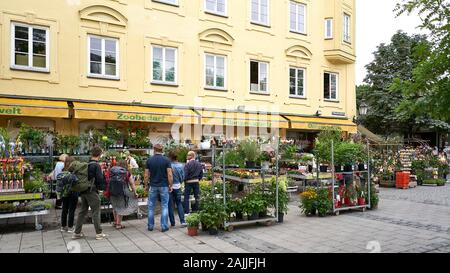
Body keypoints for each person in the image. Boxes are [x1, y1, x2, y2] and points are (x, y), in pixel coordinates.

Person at [72, 146, 107, 240]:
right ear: (99, 154)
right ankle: (99, 233)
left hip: (83, 190)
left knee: (82, 211)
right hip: (91, 191)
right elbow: (99, 179)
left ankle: (77, 233)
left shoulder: (87, 164)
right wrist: (102, 188)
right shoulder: (96, 165)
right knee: (96, 211)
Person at [144, 144, 173, 232]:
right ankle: (164, 226)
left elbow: (146, 175)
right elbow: (170, 174)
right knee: (164, 205)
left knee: (151, 206)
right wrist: (170, 185)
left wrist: (146, 185)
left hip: (153, 185)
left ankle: (150, 225)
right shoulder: (166, 160)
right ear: (162, 150)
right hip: (164, 185)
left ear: (154, 150)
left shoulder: (149, 160)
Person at [110, 160, 138, 229]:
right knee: (121, 207)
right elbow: (132, 183)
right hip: (123, 191)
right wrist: (135, 192)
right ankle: (118, 224)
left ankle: (115, 221)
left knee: (115, 206)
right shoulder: (127, 173)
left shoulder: (113, 171)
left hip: (112, 191)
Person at [58, 156, 78, 233]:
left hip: (64, 194)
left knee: (64, 209)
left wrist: (59, 194)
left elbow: (59, 185)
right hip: (73, 193)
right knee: (71, 210)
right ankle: (70, 227)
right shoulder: (73, 173)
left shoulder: (62, 173)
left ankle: (63, 226)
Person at [168, 151, 186, 227]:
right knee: (179, 204)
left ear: (170, 157)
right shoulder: (181, 165)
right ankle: (182, 221)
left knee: (170, 205)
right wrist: (180, 181)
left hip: (170, 186)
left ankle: (173, 223)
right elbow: (183, 176)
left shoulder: (169, 166)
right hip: (178, 185)